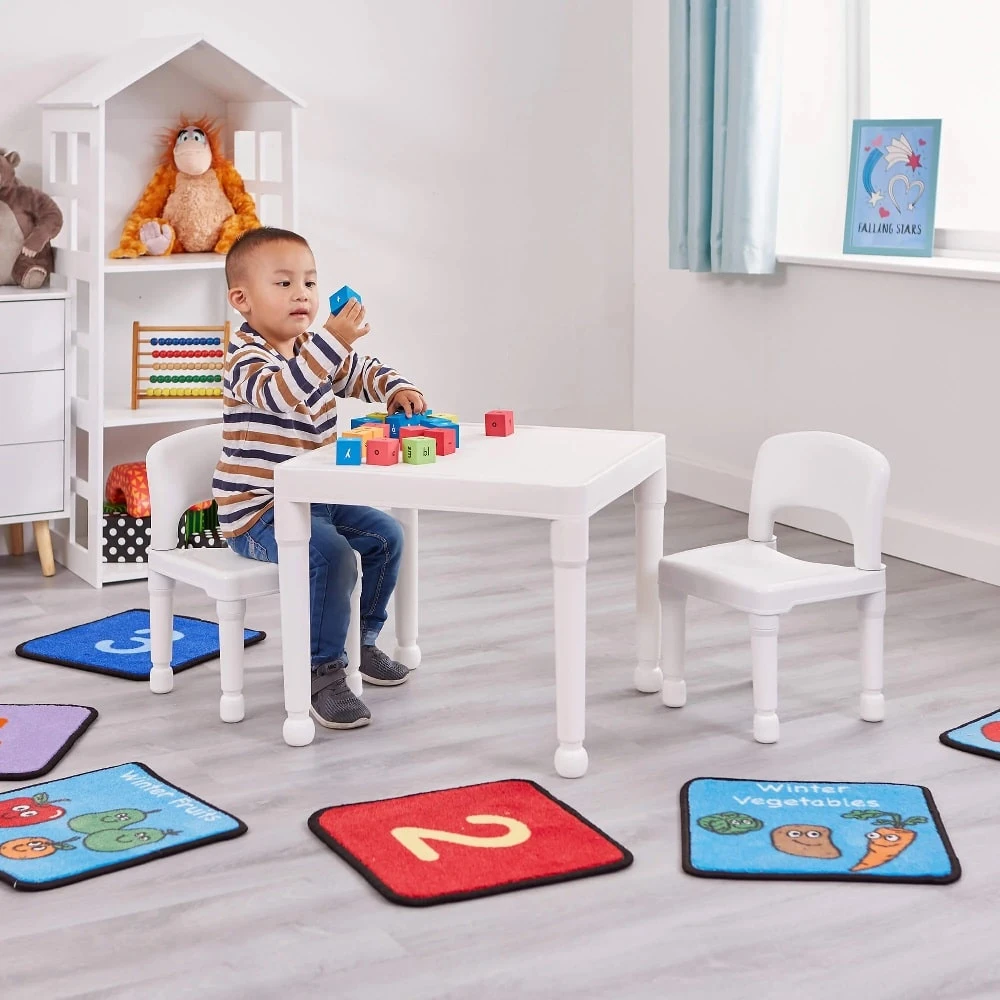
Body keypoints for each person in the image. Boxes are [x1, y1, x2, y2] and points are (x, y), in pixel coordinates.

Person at [213, 226, 426, 730]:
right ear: (242, 300)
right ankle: (322, 671)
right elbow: (284, 392)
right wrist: (332, 340)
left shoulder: (313, 348)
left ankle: (362, 641)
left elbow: (360, 369)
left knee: (387, 536)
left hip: (314, 498)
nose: (302, 294)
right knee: (329, 556)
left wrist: (395, 387)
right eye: (283, 284)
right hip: (258, 510)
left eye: (309, 282)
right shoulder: (245, 359)